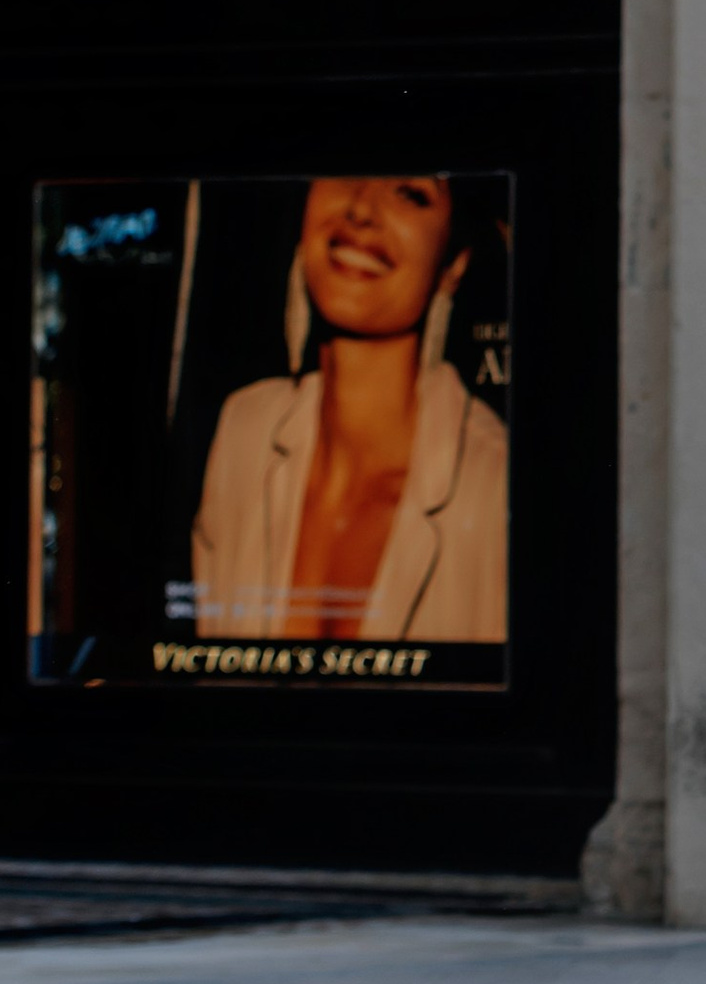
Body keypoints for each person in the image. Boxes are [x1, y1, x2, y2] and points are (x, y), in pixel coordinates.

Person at [192, 174, 508, 645]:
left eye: (409, 192)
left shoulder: (496, 490)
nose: (361, 210)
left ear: (454, 263)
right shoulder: (244, 430)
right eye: (345, 170)